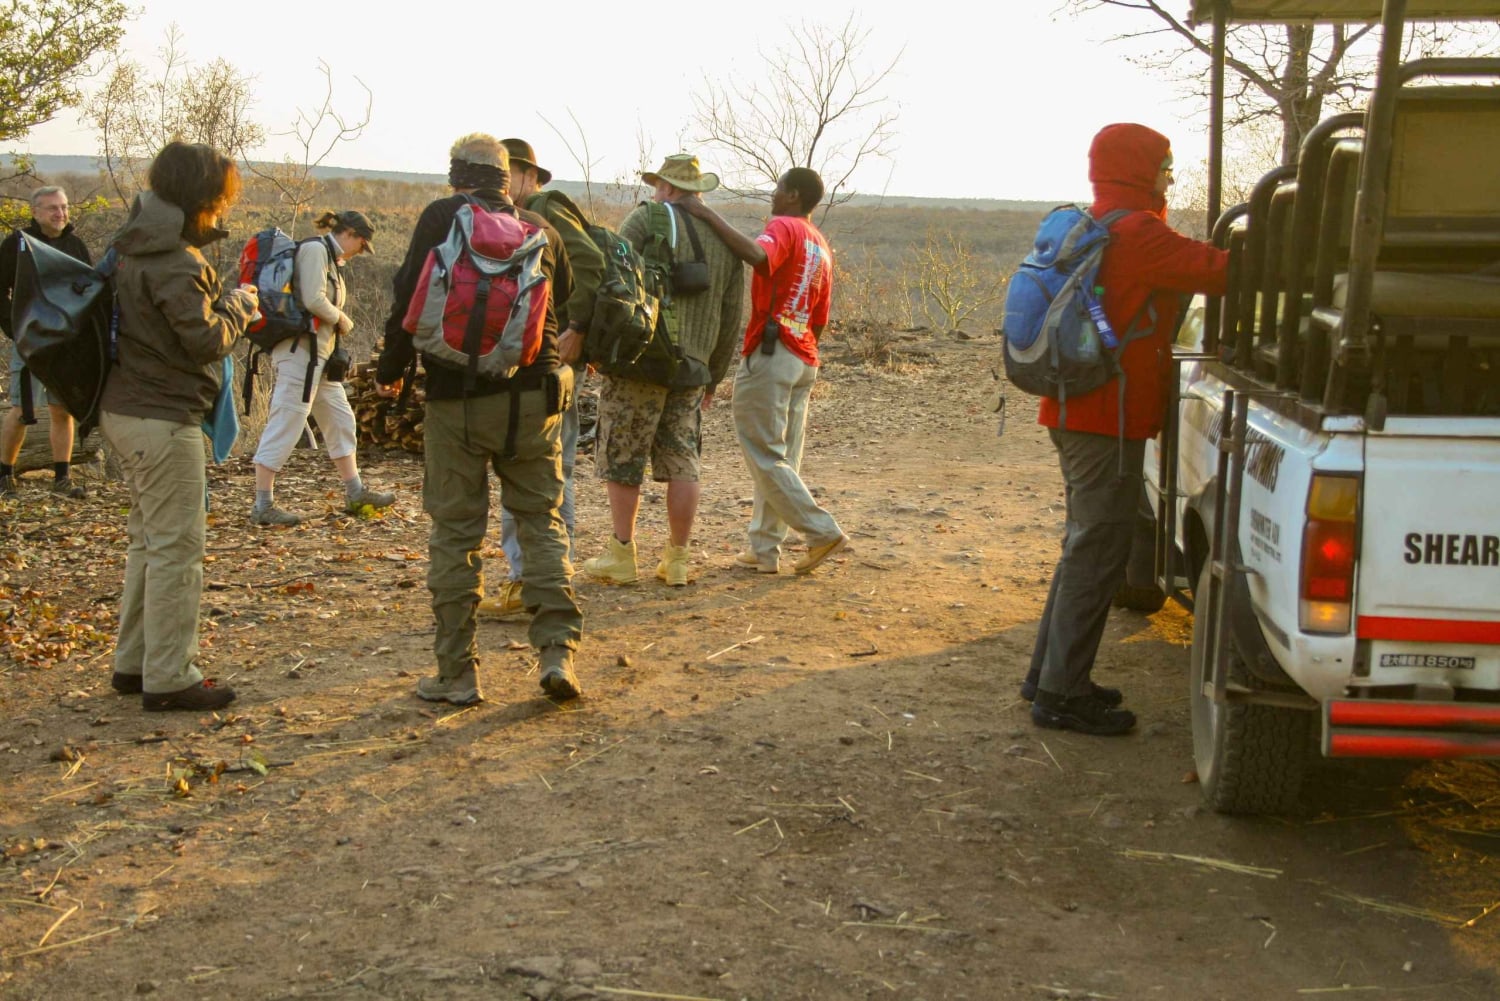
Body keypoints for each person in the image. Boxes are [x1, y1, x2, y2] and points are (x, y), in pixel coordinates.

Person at [1018, 123, 1229, 736]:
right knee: (1096, 553)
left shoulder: (1102, 225)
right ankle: (1060, 695)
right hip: (1104, 420)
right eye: (1165, 165)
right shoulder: (1138, 233)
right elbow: (1222, 272)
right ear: (1140, 168)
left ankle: (1049, 678)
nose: (1169, 176)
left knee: (1084, 547)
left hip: (1080, 412)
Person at [376, 133, 582, 705]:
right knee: (540, 521)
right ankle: (558, 653)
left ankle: (457, 674)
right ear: (505, 176)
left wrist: (392, 369)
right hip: (533, 401)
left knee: (456, 534)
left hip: (455, 402)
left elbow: (406, 295)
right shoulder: (543, 231)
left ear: (455, 176)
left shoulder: (442, 217)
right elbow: (561, 298)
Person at [100, 142, 260, 711]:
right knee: (176, 549)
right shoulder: (175, 259)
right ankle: (169, 676)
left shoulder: (133, 244)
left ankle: (136, 663)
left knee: (149, 542)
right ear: (202, 196)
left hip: (128, 410)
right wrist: (240, 306)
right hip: (162, 417)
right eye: (219, 196)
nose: (223, 206)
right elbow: (204, 342)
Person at [580, 153, 744, 587]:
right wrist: (715, 372)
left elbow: (611, 283)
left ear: (667, 188)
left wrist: (597, 344)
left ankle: (622, 554)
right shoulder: (725, 237)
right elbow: (730, 316)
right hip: (693, 368)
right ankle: (677, 560)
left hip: (640, 361)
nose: (656, 192)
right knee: (683, 461)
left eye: (658, 185)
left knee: (622, 457)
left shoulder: (644, 219)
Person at [673, 166, 846, 575]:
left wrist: (706, 214)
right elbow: (820, 315)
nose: (774, 193)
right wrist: (802, 347)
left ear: (794, 196)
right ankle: (765, 548)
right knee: (782, 456)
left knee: (764, 453)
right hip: (804, 354)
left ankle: (821, 530)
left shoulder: (783, 226)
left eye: (780, 188)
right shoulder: (820, 244)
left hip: (773, 350)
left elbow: (758, 256)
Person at [477, 138, 605, 618]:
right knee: (554, 471)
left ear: (528, 175)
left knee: (528, 469)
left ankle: (526, 581)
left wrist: (575, 327)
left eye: (509, 171)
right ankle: (553, 575)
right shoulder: (525, 215)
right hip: (551, 362)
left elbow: (589, 265)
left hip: (546, 364)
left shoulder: (543, 209)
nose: (503, 181)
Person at [249, 209, 394, 526]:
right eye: (361, 245)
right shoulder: (316, 250)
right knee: (287, 420)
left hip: (320, 357)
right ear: (352, 235)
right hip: (301, 353)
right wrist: (343, 319)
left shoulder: (330, 257)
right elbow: (314, 299)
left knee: (341, 419)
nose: (359, 253)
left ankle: (355, 491)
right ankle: (262, 504)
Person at [0, 187, 93, 499]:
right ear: (36, 212)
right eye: (52, 208)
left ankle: (62, 479)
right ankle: (4, 477)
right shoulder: (17, 244)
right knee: (22, 410)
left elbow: (88, 290)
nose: (60, 214)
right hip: (29, 339)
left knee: (61, 408)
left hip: (65, 342)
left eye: (64, 207)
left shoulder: (74, 245)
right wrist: (14, 329)